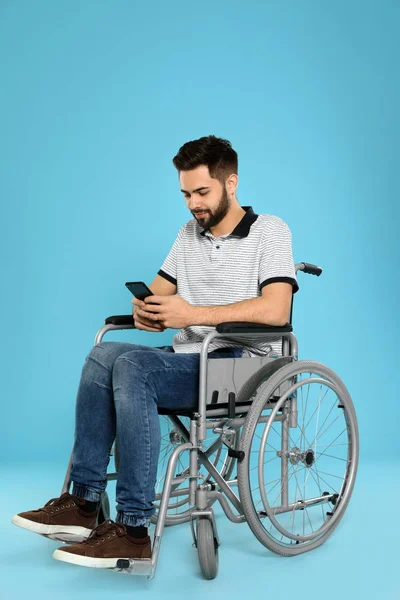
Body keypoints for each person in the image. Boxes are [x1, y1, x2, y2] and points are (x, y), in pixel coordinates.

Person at [11, 135, 299, 569]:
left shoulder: (270, 231)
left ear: (231, 183)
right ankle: (83, 502)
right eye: (185, 194)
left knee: (133, 365)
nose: (192, 204)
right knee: (103, 354)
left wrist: (191, 313)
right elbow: (161, 294)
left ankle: (132, 529)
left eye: (202, 192)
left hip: (245, 364)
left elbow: (277, 310)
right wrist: (146, 310)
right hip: (193, 356)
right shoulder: (188, 235)